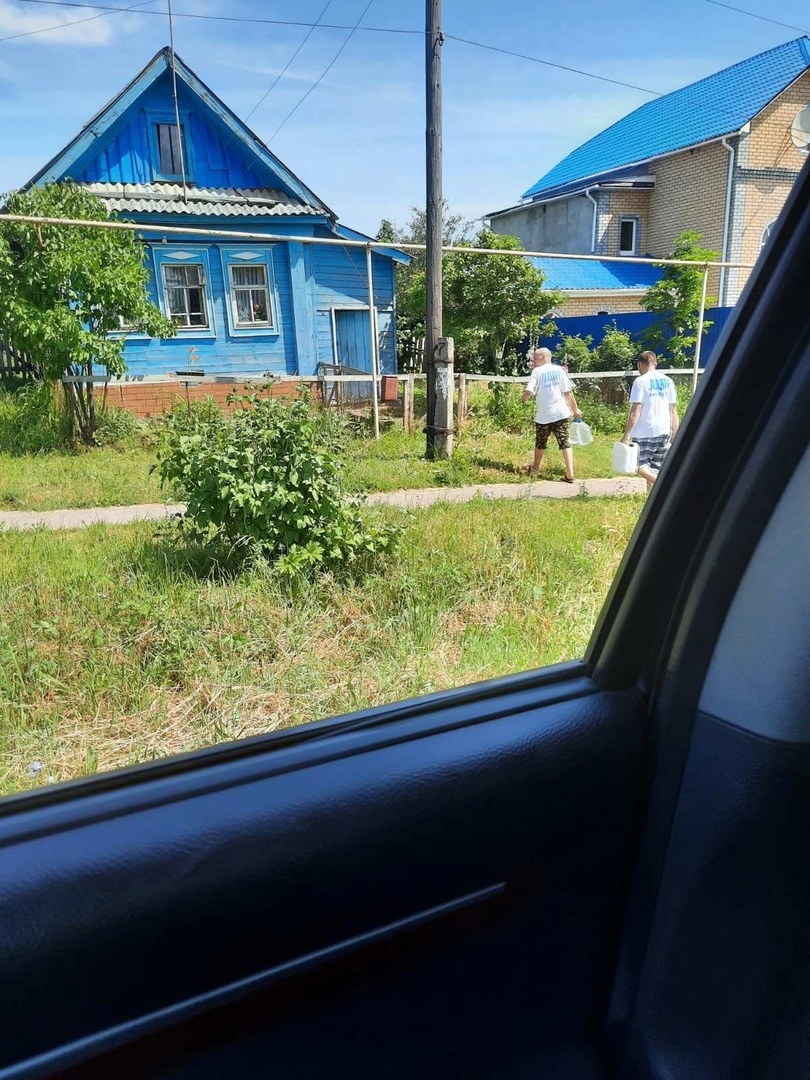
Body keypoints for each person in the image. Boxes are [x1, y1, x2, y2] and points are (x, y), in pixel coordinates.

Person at [621, 350, 680, 491]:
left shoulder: (640, 382)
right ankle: (651, 497)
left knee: (638, 464)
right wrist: (675, 432)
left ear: (640, 365)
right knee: (654, 467)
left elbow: (636, 410)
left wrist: (627, 434)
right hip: (664, 429)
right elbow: (673, 410)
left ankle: (663, 484)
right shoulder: (668, 381)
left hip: (644, 430)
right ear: (655, 363)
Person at [521, 347, 582, 483]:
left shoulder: (537, 371)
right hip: (562, 414)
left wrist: (523, 398)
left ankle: (535, 468)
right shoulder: (559, 370)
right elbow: (568, 392)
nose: (533, 359)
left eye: (535, 357)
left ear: (543, 357)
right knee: (565, 443)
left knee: (540, 443)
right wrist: (575, 410)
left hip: (544, 416)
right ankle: (570, 473)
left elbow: (529, 391)